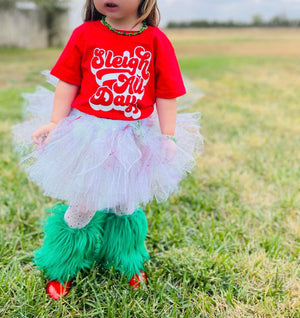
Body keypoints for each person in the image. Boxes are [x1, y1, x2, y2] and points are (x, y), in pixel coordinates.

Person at [12, 0, 203, 300]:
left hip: (134, 137)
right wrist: (54, 122)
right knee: (83, 205)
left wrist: (168, 136)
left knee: (125, 204)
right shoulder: (85, 34)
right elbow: (68, 83)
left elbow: (166, 94)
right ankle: (62, 266)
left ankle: (126, 258)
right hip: (90, 135)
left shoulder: (155, 40)